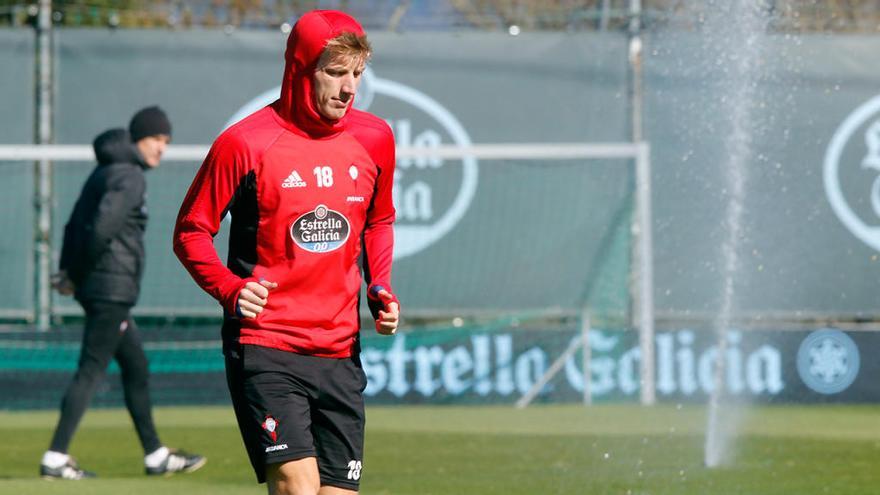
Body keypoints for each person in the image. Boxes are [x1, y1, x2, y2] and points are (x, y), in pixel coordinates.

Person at [173, 10, 399, 495]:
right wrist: (229, 288)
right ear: (300, 68)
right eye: (335, 72)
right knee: (298, 485)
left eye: (357, 74)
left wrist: (380, 285)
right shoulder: (245, 143)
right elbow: (191, 230)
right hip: (266, 345)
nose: (348, 88)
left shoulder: (375, 137)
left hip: (340, 350)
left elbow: (379, 221)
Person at [41, 106, 206, 480]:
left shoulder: (106, 170)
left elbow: (74, 224)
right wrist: (77, 275)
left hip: (101, 287)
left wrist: (71, 274)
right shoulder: (130, 177)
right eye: (157, 139)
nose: (162, 148)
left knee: (136, 367)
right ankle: (54, 458)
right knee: (91, 370)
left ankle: (155, 455)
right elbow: (101, 228)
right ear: (138, 138)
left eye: (166, 141)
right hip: (111, 289)